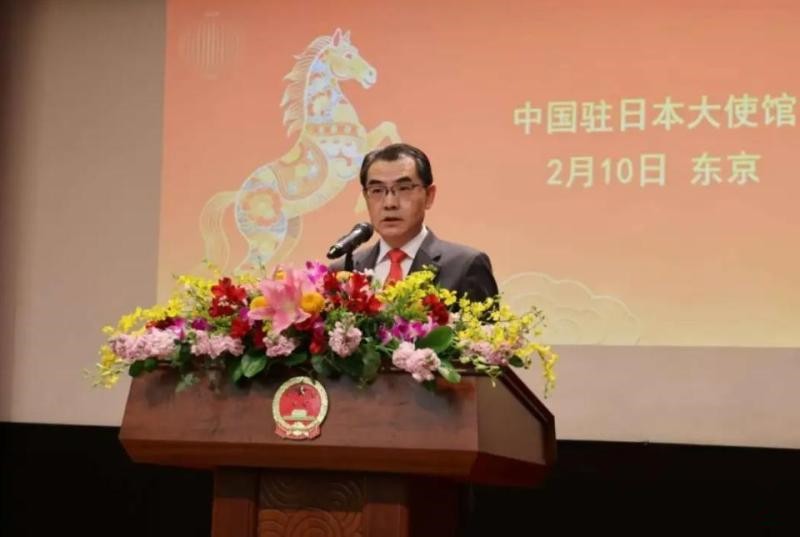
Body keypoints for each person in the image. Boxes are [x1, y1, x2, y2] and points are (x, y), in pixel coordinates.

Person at [331, 142, 498, 302]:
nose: (390, 203)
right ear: (366, 197)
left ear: (429, 196)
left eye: (404, 188)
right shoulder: (343, 270)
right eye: (377, 190)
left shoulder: (465, 266)